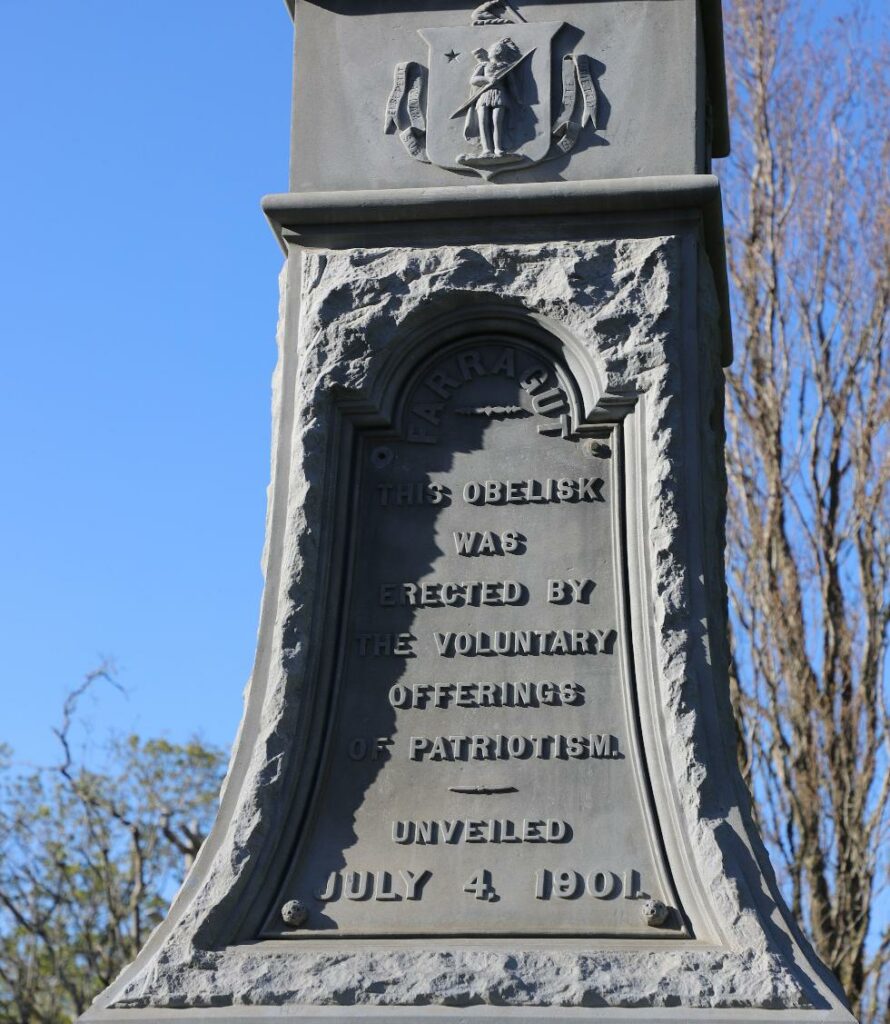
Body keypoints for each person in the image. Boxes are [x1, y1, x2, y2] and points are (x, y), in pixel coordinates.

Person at [464, 37, 522, 158]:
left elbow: (512, 85)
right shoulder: (484, 65)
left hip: (499, 95)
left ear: (498, 52)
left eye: (493, 49)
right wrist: (487, 79)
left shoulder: (506, 67)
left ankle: (498, 148)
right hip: (484, 95)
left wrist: (518, 98)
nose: (491, 51)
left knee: (497, 122)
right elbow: (473, 80)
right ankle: (486, 149)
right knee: (483, 122)